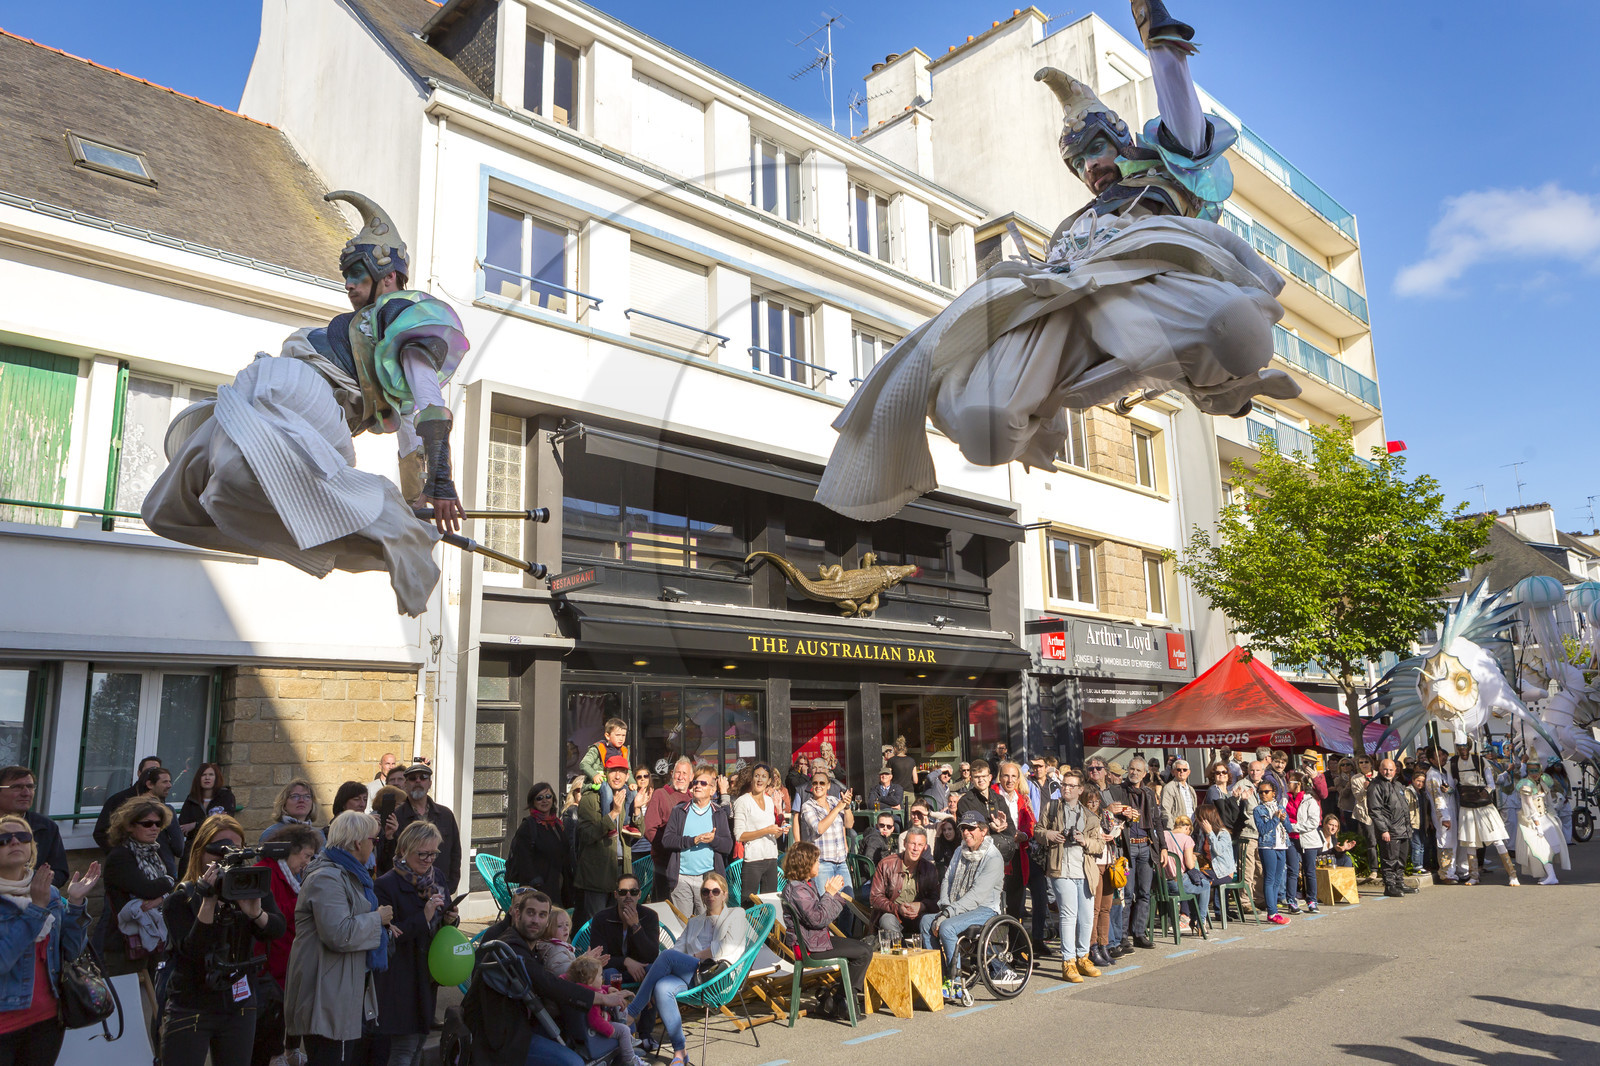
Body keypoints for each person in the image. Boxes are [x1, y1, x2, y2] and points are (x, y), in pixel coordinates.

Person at [817, 0, 1295, 521]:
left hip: (1148, 285)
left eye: (1096, 149)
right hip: (1068, 304)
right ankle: (1011, 414)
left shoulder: (1161, 181)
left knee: (1237, 329)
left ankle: (1221, 385)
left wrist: (1159, 41)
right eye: (1078, 162)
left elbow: (1186, 122)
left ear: (1123, 142)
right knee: (985, 428)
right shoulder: (1073, 226)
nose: (1090, 168)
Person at [142, 191, 469, 617]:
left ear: (388, 277)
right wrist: (423, 495)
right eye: (347, 275)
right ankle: (382, 523)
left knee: (237, 478)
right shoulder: (364, 328)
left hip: (309, 401)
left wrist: (435, 485)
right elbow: (411, 429)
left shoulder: (403, 318)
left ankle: (389, 526)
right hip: (267, 383)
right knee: (163, 511)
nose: (348, 284)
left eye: (358, 273)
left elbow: (426, 409)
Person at [160, 815, 287, 1066]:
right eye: (219, 849)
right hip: (192, 1005)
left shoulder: (249, 889)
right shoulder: (181, 899)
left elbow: (277, 929)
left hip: (239, 1004)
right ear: (200, 852)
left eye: (235, 850)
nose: (226, 858)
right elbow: (193, 952)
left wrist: (256, 915)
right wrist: (208, 901)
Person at [462, 888, 628, 1066]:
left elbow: (556, 980)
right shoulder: (512, 948)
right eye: (530, 913)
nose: (535, 920)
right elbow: (548, 983)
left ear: (547, 920)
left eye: (542, 915)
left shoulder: (531, 947)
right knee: (574, 1063)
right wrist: (601, 998)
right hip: (501, 1038)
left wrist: (599, 990)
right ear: (517, 914)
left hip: (523, 1025)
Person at [285, 810, 394, 1066]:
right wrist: (377, 919)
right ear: (358, 843)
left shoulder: (350, 873)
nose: (374, 846)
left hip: (346, 989)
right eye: (373, 840)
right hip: (329, 996)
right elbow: (339, 933)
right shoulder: (327, 877)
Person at [622, 871, 748, 1066]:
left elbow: (726, 950)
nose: (710, 895)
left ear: (724, 894)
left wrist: (694, 957)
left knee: (666, 958)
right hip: (692, 976)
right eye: (706, 892)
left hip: (717, 976)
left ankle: (631, 1012)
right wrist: (660, 969)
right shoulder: (695, 922)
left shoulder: (736, 914)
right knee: (662, 986)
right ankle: (680, 1052)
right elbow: (677, 949)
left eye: (715, 891)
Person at [0, 813, 96, 1066]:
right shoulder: (42, 897)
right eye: (4, 839)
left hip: (47, 1020)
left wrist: (75, 903)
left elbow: (70, 952)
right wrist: (36, 909)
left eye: (22, 837)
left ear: (31, 846)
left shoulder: (48, 892)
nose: (14, 842)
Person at [374, 821, 459, 1066]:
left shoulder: (438, 877)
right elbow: (390, 934)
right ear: (404, 850)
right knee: (404, 1047)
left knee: (420, 1043)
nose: (429, 859)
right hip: (400, 977)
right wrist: (424, 917)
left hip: (427, 976)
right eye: (422, 853)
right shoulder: (386, 885)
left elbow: (445, 915)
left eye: (433, 853)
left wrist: (451, 918)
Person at [251, 824, 322, 1066]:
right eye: (306, 856)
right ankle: (274, 1053)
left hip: (289, 960)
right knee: (273, 1014)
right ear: (291, 850)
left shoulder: (293, 877)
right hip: (271, 963)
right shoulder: (265, 872)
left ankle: (288, 1050)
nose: (308, 862)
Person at [780, 842, 870, 1019]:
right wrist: (830, 894)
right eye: (816, 861)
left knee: (865, 948)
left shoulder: (805, 885)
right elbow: (818, 919)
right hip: (809, 947)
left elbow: (823, 914)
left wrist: (833, 895)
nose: (818, 864)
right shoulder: (798, 890)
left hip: (817, 940)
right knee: (863, 953)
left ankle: (839, 999)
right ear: (805, 864)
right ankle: (842, 1000)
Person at [1037, 770, 1103, 982]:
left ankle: (1083, 957)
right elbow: (1038, 830)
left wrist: (1084, 841)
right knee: (1068, 914)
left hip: (1084, 871)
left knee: (1086, 917)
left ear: (1080, 790)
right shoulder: (1052, 807)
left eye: (1071, 786)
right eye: (1064, 785)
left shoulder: (1090, 816)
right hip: (1060, 868)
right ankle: (1068, 962)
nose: (1066, 788)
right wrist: (1049, 834)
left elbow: (1099, 845)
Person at [101, 796, 177, 976]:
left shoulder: (154, 852)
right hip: (126, 944)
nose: (154, 828)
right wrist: (169, 881)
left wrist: (162, 895)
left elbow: (168, 889)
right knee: (131, 999)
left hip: (155, 941)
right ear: (129, 826)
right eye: (147, 824)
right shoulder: (121, 856)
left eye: (158, 824)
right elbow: (147, 889)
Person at [931, 812, 1005, 985]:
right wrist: (945, 906)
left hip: (985, 909)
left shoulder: (993, 857)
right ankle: (937, 975)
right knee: (927, 922)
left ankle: (954, 981)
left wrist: (948, 914)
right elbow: (947, 880)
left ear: (984, 831)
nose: (966, 833)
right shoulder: (959, 850)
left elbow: (976, 896)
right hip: (958, 906)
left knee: (947, 927)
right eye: (963, 828)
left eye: (971, 828)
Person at [1109, 756, 1166, 950]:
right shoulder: (1118, 790)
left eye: (1138, 770)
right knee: (1126, 893)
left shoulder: (1148, 793)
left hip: (1146, 846)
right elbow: (1108, 813)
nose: (1133, 773)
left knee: (1144, 893)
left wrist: (1163, 847)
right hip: (1127, 846)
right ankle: (1123, 936)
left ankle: (1139, 933)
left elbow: (1157, 821)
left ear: (1144, 774)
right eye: (1131, 769)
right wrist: (1121, 813)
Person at [660, 767, 733, 918]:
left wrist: (714, 840)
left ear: (712, 790)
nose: (698, 786)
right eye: (695, 782)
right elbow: (667, 840)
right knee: (683, 926)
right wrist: (692, 840)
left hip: (708, 880)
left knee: (709, 924)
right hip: (681, 878)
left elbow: (727, 846)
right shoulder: (679, 811)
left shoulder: (718, 813)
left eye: (703, 783)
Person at [575, 758, 642, 923]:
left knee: (620, 923)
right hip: (597, 874)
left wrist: (638, 809)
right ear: (605, 774)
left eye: (622, 772)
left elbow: (640, 832)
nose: (617, 776)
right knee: (597, 924)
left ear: (628, 776)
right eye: (613, 771)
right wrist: (613, 814)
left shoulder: (630, 797)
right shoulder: (590, 799)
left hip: (623, 871)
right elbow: (586, 835)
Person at [1448, 739, 1519, 886]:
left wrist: (1482, 794)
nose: (1463, 749)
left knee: (1498, 840)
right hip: (1466, 807)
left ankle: (1512, 875)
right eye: (1460, 747)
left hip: (1484, 806)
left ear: (1469, 747)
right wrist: (1448, 790)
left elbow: (1491, 784)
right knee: (1470, 842)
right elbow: (1451, 785)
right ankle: (1474, 876)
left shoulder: (1480, 761)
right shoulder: (1453, 763)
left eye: (1465, 746)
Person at [391, 761, 461, 896]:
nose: (418, 781)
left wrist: (451, 885)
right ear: (405, 784)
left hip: (441, 888)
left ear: (430, 783)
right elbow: (390, 856)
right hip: (408, 891)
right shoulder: (396, 817)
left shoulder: (445, 815)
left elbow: (455, 851)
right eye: (412, 778)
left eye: (423, 777)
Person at [868, 827, 940, 948]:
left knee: (927, 920)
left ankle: (930, 960)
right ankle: (901, 955)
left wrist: (923, 905)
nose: (916, 848)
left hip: (918, 916)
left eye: (920, 845)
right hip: (892, 914)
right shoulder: (886, 864)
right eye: (912, 843)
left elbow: (937, 900)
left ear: (925, 848)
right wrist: (897, 908)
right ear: (905, 844)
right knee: (887, 920)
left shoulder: (930, 869)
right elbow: (875, 898)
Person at [0, 768, 67, 890]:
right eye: (17, 787)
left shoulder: (46, 827)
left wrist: (33, 883)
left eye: (30, 787)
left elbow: (60, 872)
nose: (26, 793)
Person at [798, 772, 856, 905]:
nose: (818, 786)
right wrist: (838, 808)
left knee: (849, 905)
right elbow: (819, 828)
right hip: (822, 864)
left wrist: (846, 807)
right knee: (826, 905)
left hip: (841, 862)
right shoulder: (808, 806)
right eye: (815, 783)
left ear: (828, 786)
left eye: (822, 783)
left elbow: (849, 824)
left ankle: (845, 927)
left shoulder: (835, 801)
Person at [508, 783, 570, 901]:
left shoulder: (556, 824)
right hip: (537, 889)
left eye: (548, 796)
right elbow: (524, 859)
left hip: (558, 885)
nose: (545, 801)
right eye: (539, 798)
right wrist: (536, 882)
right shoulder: (528, 826)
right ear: (533, 802)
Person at [643, 759, 693, 902]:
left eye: (685, 773)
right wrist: (667, 847)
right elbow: (649, 828)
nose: (681, 777)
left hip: (687, 865)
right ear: (672, 774)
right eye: (678, 772)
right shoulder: (660, 794)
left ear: (691, 777)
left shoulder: (693, 798)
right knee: (664, 906)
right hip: (664, 863)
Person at [732, 764, 784, 899]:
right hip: (753, 860)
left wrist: (780, 830)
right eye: (757, 776)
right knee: (749, 904)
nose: (760, 780)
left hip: (771, 858)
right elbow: (739, 835)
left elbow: (772, 835)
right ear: (751, 779)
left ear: (769, 781)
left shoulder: (769, 800)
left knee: (770, 902)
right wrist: (767, 829)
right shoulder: (742, 801)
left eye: (764, 776)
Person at [1513, 762, 1570, 885]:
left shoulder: (1543, 783)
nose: (1534, 774)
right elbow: (1528, 805)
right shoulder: (1526, 785)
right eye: (1531, 771)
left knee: (1548, 848)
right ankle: (1549, 875)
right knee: (1538, 849)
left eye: (1536, 771)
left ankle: (1550, 875)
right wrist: (1537, 824)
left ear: (1540, 772)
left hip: (1545, 818)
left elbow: (1548, 803)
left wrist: (1555, 809)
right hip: (1531, 821)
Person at [92, 754, 163, 851]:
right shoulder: (119, 800)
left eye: (156, 772)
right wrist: (120, 852)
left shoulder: (161, 801)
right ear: (139, 773)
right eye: (148, 771)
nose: (151, 776)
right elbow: (101, 833)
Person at [1367, 758, 1415, 898]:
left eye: (1391, 769)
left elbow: (1404, 808)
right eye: (1385, 769)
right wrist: (1383, 830)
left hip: (1403, 829)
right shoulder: (1376, 786)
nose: (1388, 772)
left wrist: (1408, 828)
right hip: (1389, 830)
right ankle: (1390, 886)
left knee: (1401, 859)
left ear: (1396, 770)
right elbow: (1375, 810)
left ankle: (1399, 883)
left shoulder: (1398, 785)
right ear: (1380, 770)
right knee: (1389, 859)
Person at [1160, 815, 1208, 937]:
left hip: (1162, 883)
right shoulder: (1187, 840)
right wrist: (1193, 857)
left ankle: (1193, 918)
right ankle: (1200, 922)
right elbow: (1190, 865)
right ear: (1187, 827)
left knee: (1193, 887)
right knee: (1205, 885)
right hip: (1177, 883)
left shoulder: (1164, 835)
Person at [1252, 780, 1290, 924]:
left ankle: (1274, 910)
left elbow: (1289, 828)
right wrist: (1275, 819)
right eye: (1260, 792)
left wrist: (1284, 819)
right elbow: (1262, 830)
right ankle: (1272, 912)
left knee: (1277, 879)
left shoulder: (1280, 807)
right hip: (1267, 846)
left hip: (1282, 845)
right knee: (1269, 878)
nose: (1263, 795)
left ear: (1273, 793)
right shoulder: (1258, 810)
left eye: (1266, 792)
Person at [135, 765, 187, 870]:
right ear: (150, 784)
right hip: (163, 869)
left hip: (135, 867)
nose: (170, 785)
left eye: (169, 781)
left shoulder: (128, 810)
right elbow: (179, 848)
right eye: (164, 782)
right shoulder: (166, 810)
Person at [1286, 772, 1324, 913]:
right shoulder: (1285, 800)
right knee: (1292, 870)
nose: (1287, 784)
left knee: (1309, 871)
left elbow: (1313, 822)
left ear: (1298, 784)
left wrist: (1293, 826)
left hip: (1308, 840)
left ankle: (1312, 901)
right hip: (1290, 839)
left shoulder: (1310, 801)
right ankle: (1291, 901)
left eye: (1291, 781)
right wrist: (1289, 827)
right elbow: (1282, 818)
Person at [1193, 803, 1234, 924]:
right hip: (1209, 869)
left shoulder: (1223, 833)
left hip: (1223, 872)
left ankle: (1199, 917)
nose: (1197, 821)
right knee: (1189, 878)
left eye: (1199, 818)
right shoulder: (1202, 833)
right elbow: (1200, 851)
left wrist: (1210, 833)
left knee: (1198, 881)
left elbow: (1219, 851)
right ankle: (1189, 915)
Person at [1425, 746, 1461, 882]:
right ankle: (1446, 873)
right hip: (1443, 815)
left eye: (1443, 754)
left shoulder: (1444, 772)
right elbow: (1437, 798)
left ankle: (1454, 870)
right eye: (1439, 756)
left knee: (1453, 843)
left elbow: (1450, 791)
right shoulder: (1433, 775)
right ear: (1431, 759)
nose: (1443, 757)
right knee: (1445, 842)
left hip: (1452, 811)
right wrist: (1444, 817)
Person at [178, 763, 238, 837]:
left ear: (216, 778)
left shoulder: (225, 796)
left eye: (211, 775)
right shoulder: (192, 798)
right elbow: (183, 826)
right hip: (195, 843)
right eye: (203, 775)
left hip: (218, 842)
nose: (207, 778)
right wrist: (212, 819)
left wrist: (195, 825)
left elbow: (223, 822)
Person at [261, 780, 322, 846]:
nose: (301, 800)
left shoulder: (319, 835)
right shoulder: (272, 833)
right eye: (295, 796)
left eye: (307, 796)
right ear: (284, 804)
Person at [578, 719, 630, 787]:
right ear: (607, 736)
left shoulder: (624, 750)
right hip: (601, 782)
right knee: (607, 794)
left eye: (623, 735)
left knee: (632, 792)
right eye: (618, 735)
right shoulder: (598, 748)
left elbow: (629, 769)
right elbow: (584, 764)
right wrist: (594, 775)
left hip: (617, 782)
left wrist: (631, 782)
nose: (621, 738)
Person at [1349, 755, 1378, 879]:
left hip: (1381, 813)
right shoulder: (1356, 779)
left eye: (1366, 762)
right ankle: (1374, 869)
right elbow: (1358, 797)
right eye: (1361, 762)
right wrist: (1365, 788)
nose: (1364, 764)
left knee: (1386, 841)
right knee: (1371, 842)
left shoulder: (1379, 775)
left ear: (1371, 764)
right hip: (1366, 814)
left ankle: (1389, 868)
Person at [1159, 760, 1197, 830]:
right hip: (1177, 829)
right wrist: (1171, 830)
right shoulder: (1169, 788)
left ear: (1188, 772)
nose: (1182, 772)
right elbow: (1165, 811)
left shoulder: (1191, 789)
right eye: (1178, 770)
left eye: (1184, 770)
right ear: (1173, 772)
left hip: (1192, 828)